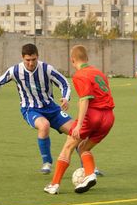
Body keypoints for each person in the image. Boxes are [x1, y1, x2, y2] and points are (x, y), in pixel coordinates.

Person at [44, 44, 115, 195]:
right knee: (83, 147)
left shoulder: (80, 75)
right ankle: (90, 175)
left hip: (92, 115)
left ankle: (54, 184)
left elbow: (85, 100)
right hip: (108, 118)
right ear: (87, 58)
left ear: (72, 60)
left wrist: (79, 125)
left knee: (68, 147)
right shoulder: (99, 73)